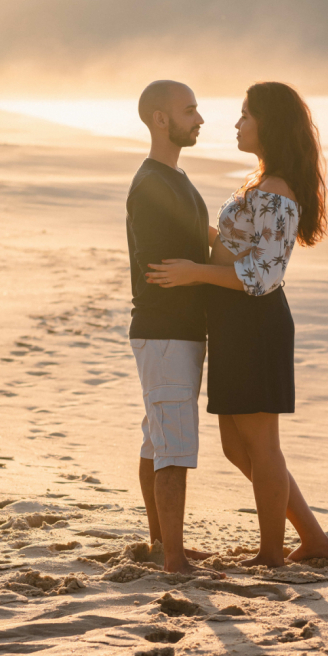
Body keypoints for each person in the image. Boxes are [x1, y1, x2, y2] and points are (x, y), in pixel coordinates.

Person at [146, 81, 328, 568]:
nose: (236, 123)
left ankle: (272, 553)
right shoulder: (260, 183)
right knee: (237, 445)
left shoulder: (275, 190)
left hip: (256, 323)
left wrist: (194, 273)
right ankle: (313, 539)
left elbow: (265, 275)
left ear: (268, 125)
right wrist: (186, 229)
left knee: (261, 445)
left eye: (246, 115)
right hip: (234, 323)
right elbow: (236, 245)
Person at [126, 79, 219, 576]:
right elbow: (159, 265)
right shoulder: (151, 184)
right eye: (190, 110)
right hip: (165, 332)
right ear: (161, 119)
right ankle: (175, 561)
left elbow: (193, 235)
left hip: (175, 330)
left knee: (159, 439)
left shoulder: (174, 179)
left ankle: (164, 543)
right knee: (174, 449)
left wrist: (234, 241)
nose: (199, 118)